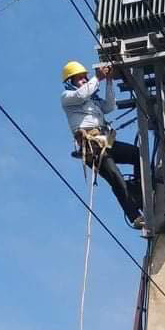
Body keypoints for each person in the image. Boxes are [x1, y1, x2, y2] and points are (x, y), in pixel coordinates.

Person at [61, 60, 144, 228]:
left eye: (85, 77)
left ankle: (139, 190)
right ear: (70, 81)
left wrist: (109, 81)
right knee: (115, 178)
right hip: (92, 147)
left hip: (106, 141)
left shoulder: (92, 100)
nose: (85, 80)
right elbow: (81, 95)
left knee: (138, 154)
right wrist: (98, 78)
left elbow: (109, 106)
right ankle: (134, 216)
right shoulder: (68, 97)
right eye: (80, 78)